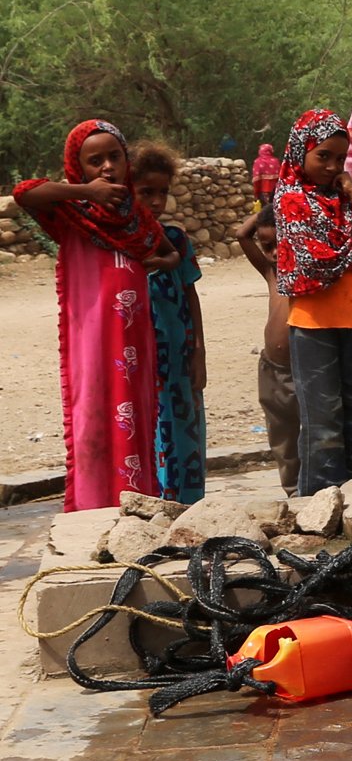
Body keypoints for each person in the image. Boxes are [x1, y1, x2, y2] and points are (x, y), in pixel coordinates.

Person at [12, 120, 176, 509]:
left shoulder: (135, 215)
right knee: (92, 408)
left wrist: (152, 262)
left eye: (114, 157)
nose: (106, 167)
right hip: (90, 332)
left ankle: (136, 499)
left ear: (126, 161)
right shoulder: (69, 211)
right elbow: (24, 193)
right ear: (78, 166)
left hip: (133, 338)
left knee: (134, 410)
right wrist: (87, 192)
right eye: (94, 161)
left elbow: (170, 251)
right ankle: (92, 504)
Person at [273, 109, 352, 493]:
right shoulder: (290, 197)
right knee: (323, 426)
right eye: (323, 156)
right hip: (313, 324)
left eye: (340, 158)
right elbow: (312, 260)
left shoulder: (342, 198)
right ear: (301, 151)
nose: (332, 165)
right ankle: (317, 510)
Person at [133, 143, 207, 504]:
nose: (156, 201)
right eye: (146, 192)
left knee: (183, 431)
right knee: (148, 432)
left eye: (162, 192)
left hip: (179, 356)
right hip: (142, 359)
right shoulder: (122, 245)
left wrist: (199, 353)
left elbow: (190, 296)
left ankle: (187, 508)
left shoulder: (175, 239)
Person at [235, 203, 300, 494]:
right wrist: (276, 200)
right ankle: (291, 487)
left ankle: (310, 486)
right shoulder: (271, 273)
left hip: (302, 368)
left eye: (280, 243)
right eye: (268, 245)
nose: (274, 252)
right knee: (281, 433)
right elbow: (242, 234)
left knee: (308, 431)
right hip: (272, 369)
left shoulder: (302, 273)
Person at [251, 142, 279, 211]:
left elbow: (256, 180)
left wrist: (256, 194)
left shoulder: (258, 161)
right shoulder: (276, 161)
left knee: (265, 211)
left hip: (262, 191)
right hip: (275, 191)